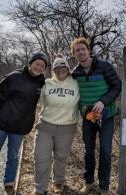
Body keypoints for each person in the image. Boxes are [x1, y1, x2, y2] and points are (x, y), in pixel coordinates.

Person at [0, 52, 47, 195]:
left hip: (19, 127)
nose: (39, 67)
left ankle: (9, 184)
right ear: (30, 63)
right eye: (37, 63)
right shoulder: (14, 76)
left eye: (42, 66)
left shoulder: (41, 83)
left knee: (13, 157)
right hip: (1, 123)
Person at [70, 37, 121, 195]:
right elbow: (61, 79)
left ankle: (104, 187)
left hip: (106, 116)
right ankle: (89, 182)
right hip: (88, 118)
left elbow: (117, 86)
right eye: (77, 50)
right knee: (88, 150)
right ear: (74, 54)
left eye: (83, 49)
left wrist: (103, 101)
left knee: (105, 151)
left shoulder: (104, 66)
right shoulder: (75, 72)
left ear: (88, 50)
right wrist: (59, 61)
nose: (81, 52)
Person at [33, 54, 80, 195]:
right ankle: (40, 188)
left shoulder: (76, 83)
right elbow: (37, 103)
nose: (60, 69)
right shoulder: (46, 83)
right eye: (56, 67)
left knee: (61, 157)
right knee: (41, 157)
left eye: (63, 66)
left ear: (68, 68)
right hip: (45, 126)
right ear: (53, 70)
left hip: (67, 127)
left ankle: (58, 182)